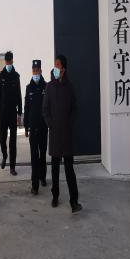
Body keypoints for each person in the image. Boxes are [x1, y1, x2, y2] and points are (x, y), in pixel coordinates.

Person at [43, 54, 82, 213]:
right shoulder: (49, 87)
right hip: (54, 134)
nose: (55, 68)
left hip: (66, 135)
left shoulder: (69, 87)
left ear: (63, 69)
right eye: (55, 65)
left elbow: (75, 109)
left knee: (69, 169)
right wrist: (50, 124)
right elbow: (45, 109)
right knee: (54, 169)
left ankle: (74, 201)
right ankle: (55, 196)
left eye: (58, 65)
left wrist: (69, 124)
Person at [24, 59, 48, 195]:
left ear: (41, 71)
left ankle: (42, 177)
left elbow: (49, 107)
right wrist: (26, 126)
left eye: (37, 70)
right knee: (34, 156)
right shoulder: (29, 88)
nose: (35, 72)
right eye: (34, 70)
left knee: (42, 153)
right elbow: (26, 108)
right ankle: (35, 185)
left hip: (44, 126)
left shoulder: (46, 86)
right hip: (33, 127)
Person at [0, 50, 22, 176]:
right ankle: (4, 155)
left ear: (12, 61)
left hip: (13, 113)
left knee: (13, 142)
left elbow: (19, 94)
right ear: (5, 61)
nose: (8, 63)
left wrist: (20, 113)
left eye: (10, 61)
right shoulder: (1, 75)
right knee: (2, 139)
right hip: (3, 113)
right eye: (6, 61)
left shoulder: (16, 76)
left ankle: (12, 167)